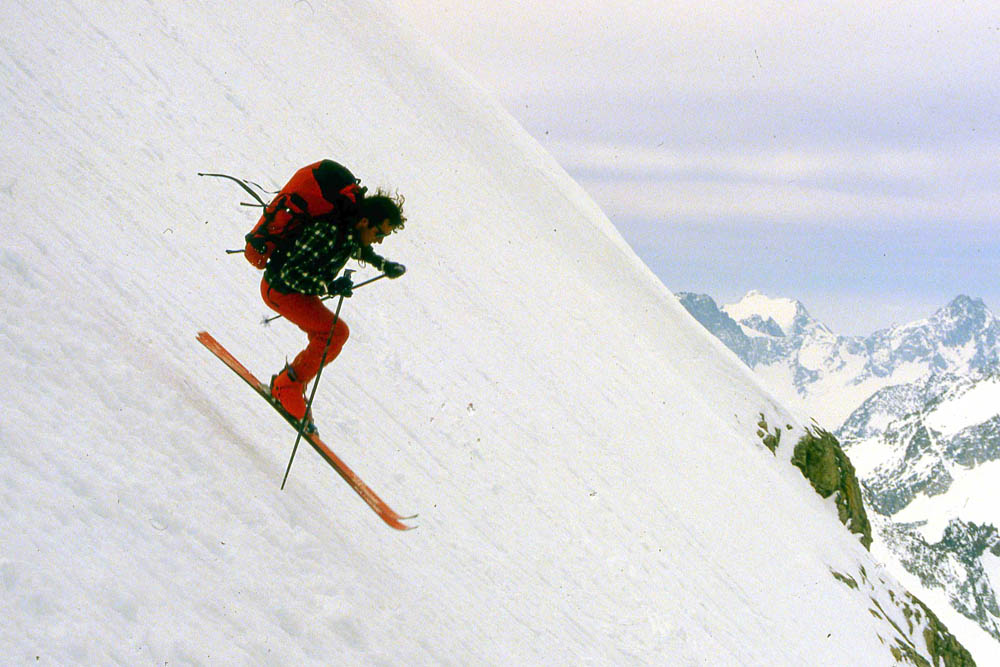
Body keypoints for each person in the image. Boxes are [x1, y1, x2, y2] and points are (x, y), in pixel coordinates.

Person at [243, 159, 406, 425]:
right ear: (364, 221)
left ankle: (288, 386)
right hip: (280, 289)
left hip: (291, 290)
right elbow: (291, 273)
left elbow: (358, 246)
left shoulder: (349, 228)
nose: (379, 240)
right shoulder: (331, 230)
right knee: (333, 333)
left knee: (333, 333)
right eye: (379, 233)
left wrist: (381, 264)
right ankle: (287, 388)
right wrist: (329, 286)